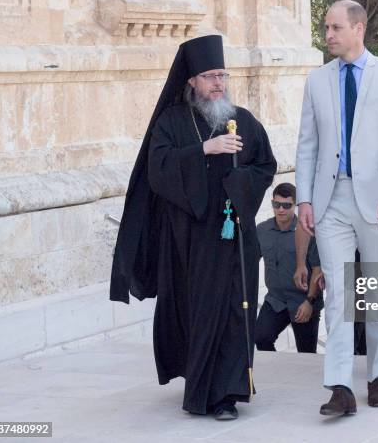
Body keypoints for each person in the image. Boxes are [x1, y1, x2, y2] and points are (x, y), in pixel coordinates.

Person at [109, 35, 277, 420]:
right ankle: (201, 385)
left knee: (236, 312)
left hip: (235, 238)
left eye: (222, 75)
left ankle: (226, 394)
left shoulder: (243, 120)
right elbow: (158, 170)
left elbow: (265, 165)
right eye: (209, 76)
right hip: (189, 242)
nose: (218, 83)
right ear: (192, 81)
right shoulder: (171, 123)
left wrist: (239, 188)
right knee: (199, 314)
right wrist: (204, 151)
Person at [295, 0, 378, 416]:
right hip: (331, 202)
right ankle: (340, 387)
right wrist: (306, 198)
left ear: (358, 28)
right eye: (326, 28)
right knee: (339, 294)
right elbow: (307, 144)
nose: (327, 35)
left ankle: (377, 375)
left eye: (334, 28)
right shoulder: (316, 81)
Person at [255, 183, 323, 353]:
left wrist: (309, 301)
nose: (281, 210)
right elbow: (249, 260)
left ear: (295, 205)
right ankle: (276, 372)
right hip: (275, 300)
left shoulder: (307, 231)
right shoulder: (262, 230)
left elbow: (317, 268)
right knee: (260, 338)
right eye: (276, 204)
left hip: (303, 301)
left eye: (286, 205)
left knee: (306, 355)